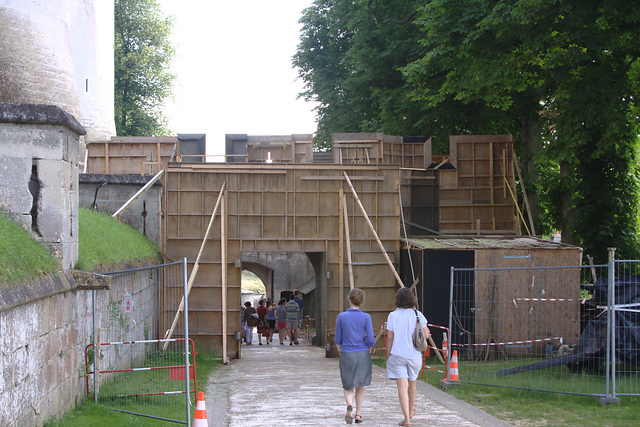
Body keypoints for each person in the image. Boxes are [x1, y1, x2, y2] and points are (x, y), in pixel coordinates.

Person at [386, 287, 430, 427]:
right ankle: (411, 411)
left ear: (397, 300)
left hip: (397, 354)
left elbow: (390, 337)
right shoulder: (417, 314)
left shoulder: (392, 315)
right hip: (414, 355)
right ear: (412, 299)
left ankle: (406, 418)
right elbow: (426, 334)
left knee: (401, 387)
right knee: (412, 384)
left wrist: (388, 353)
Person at [334, 288, 375, 424]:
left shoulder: (341, 317)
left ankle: (349, 405)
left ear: (349, 299)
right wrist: (368, 349)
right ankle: (358, 414)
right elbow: (370, 339)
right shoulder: (366, 317)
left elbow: (338, 339)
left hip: (347, 353)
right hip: (362, 353)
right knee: (360, 386)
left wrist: (341, 351)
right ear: (361, 301)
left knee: (348, 385)